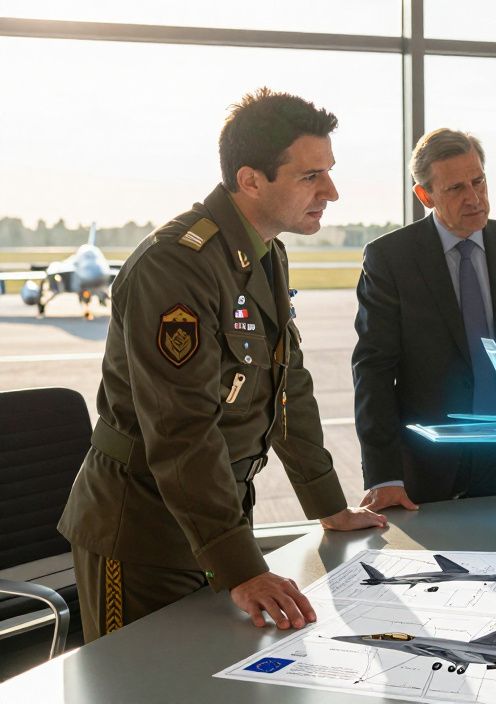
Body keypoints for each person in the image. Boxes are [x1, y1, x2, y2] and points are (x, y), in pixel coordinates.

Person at [58, 88, 387, 642]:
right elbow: (182, 428)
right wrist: (241, 567)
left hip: (213, 523)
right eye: (310, 176)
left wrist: (328, 505)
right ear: (250, 179)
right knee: (139, 688)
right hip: (140, 534)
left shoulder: (265, 253)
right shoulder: (176, 266)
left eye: (327, 172)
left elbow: (289, 388)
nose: (331, 191)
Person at [353, 128, 496, 511]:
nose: (474, 198)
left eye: (479, 181)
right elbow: (373, 370)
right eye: (456, 188)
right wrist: (384, 475)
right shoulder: (390, 258)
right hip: (427, 466)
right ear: (425, 196)